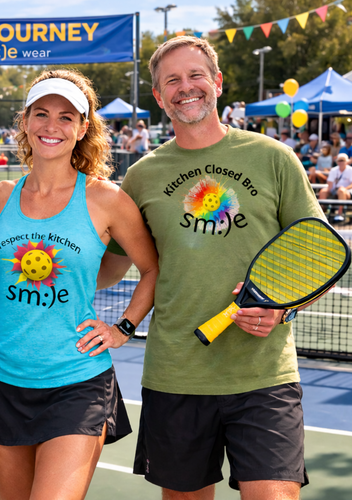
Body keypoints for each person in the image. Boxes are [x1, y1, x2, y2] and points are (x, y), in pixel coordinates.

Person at [110, 36, 322, 500]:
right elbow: (112, 266)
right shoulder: (142, 175)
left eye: (195, 75)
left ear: (218, 82)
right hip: (176, 375)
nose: (186, 88)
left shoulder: (274, 158)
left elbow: (315, 254)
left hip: (264, 376)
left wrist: (284, 309)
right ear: (161, 97)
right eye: (172, 81)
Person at [0, 69, 158, 500]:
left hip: (77, 381)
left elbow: (153, 269)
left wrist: (123, 328)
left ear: (83, 127)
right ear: (25, 121)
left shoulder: (106, 199)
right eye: (42, 113)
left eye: (66, 117)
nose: (52, 126)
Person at [317, 153, 352, 223]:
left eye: (342, 160)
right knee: (323, 191)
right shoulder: (333, 170)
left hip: (349, 191)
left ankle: (339, 214)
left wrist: (344, 188)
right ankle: (321, 214)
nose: (341, 162)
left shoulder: (351, 170)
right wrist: (331, 190)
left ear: (347, 161)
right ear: (337, 162)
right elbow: (330, 183)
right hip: (335, 190)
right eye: (339, 160)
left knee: (341, 190)